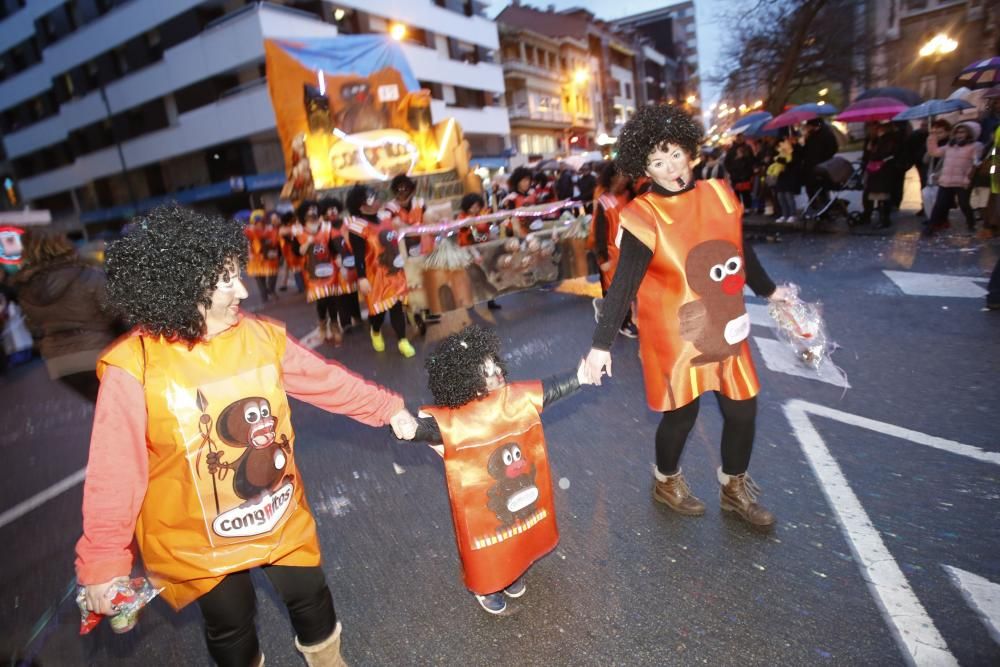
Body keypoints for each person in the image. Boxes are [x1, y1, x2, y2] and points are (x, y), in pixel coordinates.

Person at [75, 205, 419, 667]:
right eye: (227, 280)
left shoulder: (260, 337)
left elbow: (327, 382)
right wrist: (103, 562)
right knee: (230, 621)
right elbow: (114, 472)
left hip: (277, 512)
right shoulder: (132, 365)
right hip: (195, 537)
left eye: (239, 274)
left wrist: (388, 410)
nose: (243, 289)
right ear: (186, 286)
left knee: (310, 594)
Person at [582, 104, 791, 527]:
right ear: (645, 169)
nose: (669, 167)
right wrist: (601, 345)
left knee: (742, 409)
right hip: (676, 334)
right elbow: (623, 283)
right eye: (657, 162)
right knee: (682, 413)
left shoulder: (719, 194)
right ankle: (665, 478)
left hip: (725, 320)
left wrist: (771, 292)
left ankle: (734, 487)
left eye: (675, 154)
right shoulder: (643, 214)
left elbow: (739, 250)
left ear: (690, 152)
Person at [411, 325, 591, 614]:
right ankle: (488, 586)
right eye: (486, 370)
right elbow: (428, 430)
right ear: (465, 379)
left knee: (516, 531)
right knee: (488, 543)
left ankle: (511, 572)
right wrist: (408, 430)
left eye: (495, 364)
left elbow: (550, 390)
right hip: (481, 503)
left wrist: (580, 377)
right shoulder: (455, 420)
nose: (497, 372)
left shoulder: (515, 398)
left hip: (517, 487)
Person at [12, 229, 120, 402]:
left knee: (106, 406)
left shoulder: (26, 290)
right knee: (131, 406)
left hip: (60, 363)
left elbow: (33, 328)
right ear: (62, 244)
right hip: (98, 351)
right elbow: (116, 310)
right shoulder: (86, 275)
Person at [345, 185, 416, 357]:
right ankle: (375, 331)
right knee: (379, 312)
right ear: (361, 206)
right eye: (371, 197)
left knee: (397, 306)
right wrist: (361, 277)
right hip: (375, 276)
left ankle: (402, 341)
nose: (377, 199)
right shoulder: (358, 227)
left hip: (395, 271)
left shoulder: (386, 217)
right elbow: (359, 256)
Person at [292, 200, 351, 346]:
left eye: (314, 209)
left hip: (330, 271)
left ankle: (335, 325)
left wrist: (342, 265)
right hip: (312, 273)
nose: (312, 212)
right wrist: (308, 242)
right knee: (321, 302)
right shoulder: (298, 231)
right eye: (309, 210)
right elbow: (297, 252)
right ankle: (323, 325)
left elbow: (335, 248)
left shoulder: (326, 227)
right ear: (303, 215)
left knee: (333, 300)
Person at [589, 161, 637, 338]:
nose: (623, 180)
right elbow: (598, 232)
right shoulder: (603, 201)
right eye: (619, 176)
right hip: (611, 253)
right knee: (617, 290)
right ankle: (623, 322)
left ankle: (609, 311)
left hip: (629, 251)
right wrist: (602, 259)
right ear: (610, 178)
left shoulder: (631, 196)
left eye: (625, 176)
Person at [924, 121, 983, 236]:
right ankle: (930, 226)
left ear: (970, 133)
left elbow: (975, 164)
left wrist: (968, 179)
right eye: (957, 132)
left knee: (964, 204)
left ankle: (971, 222)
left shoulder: (975, 146)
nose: (959, 134)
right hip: (946, 181)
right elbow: (934, 152)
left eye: (963, 132)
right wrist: (932, 138)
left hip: (962, 181)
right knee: (939, 204)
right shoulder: (950, 146)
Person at [456, 193, 501, 311]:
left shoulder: (483, 215)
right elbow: (464, 238)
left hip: (484, 250)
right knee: (472, 277)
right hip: (468, 251)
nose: (475, 209)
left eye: (477, 206)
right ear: (467, 207)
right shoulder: (462, 218)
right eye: (472, 207)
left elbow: (489, 230)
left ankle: (491, 299)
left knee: (487, 274)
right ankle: (470, 302)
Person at [860, 123, 899, 228]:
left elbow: (883, 154)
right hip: (874, 171)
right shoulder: (873, 139)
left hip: (883, 171)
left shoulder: (888, 139)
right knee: (870, 195)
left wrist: (871, 151)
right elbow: (867, 156)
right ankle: (870, 216)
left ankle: (884, 219)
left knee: (883, 196)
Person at [800, 118, 839, 205]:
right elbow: (805, 151)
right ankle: (813, 205)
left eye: (808, 126)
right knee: (810, 188)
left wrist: (824, 158)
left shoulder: (826, 134)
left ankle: (824, 207)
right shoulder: (809, 136)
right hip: (809, 167)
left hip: (822, 165)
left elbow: (833, 148)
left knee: (822, 189)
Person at [245, 210, 280, 303]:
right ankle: (264, 297)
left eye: (261, 221)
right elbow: (246, 242)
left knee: (273, 274)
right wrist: (249, 253)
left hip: (269, 257)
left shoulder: (270, 229)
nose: (259, 223)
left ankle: (271, 290)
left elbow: (275, 240)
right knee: (260, 279)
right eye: (257, 222)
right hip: (256, 259)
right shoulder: (249, 230)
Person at [772, 133, 802, 224]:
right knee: (780, 196)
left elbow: (795, 161)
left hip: (790, 174)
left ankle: (792, 214)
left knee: (788, 195)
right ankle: (784, 214)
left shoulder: (797, 148)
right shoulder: (781, 146)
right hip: (781, 174)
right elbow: (776, 156)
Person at [278, 211, 305, 293]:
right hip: (291, 251)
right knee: (297, 269)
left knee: (297, 269)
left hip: (291, 251)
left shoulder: (286, 228)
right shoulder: (289, 228)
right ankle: (300, 286)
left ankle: (300, 286)